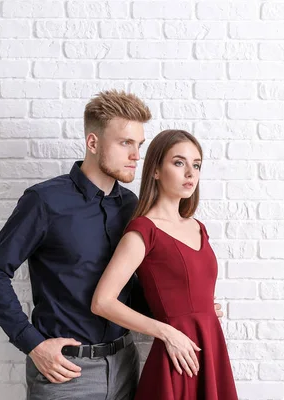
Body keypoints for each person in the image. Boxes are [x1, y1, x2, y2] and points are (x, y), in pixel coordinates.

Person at [0, 91, 223, 400]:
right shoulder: (45, 201)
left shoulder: (131, 205)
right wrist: (33, 344)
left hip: (125, 364)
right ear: (93, 143)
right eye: (125, 143)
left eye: (139, 145)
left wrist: (186, 310)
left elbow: (131, 288)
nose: (136, 155)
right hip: (66, 371)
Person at [92, 129, 238, 400]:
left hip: (210, 347)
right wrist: (167, 331)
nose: (191, 173)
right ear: (156, 171)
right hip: (177, 356)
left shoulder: (198, 228)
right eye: (179, 162)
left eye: (196, 165)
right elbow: (102, 301)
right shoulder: (143, 231)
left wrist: (204, 311)